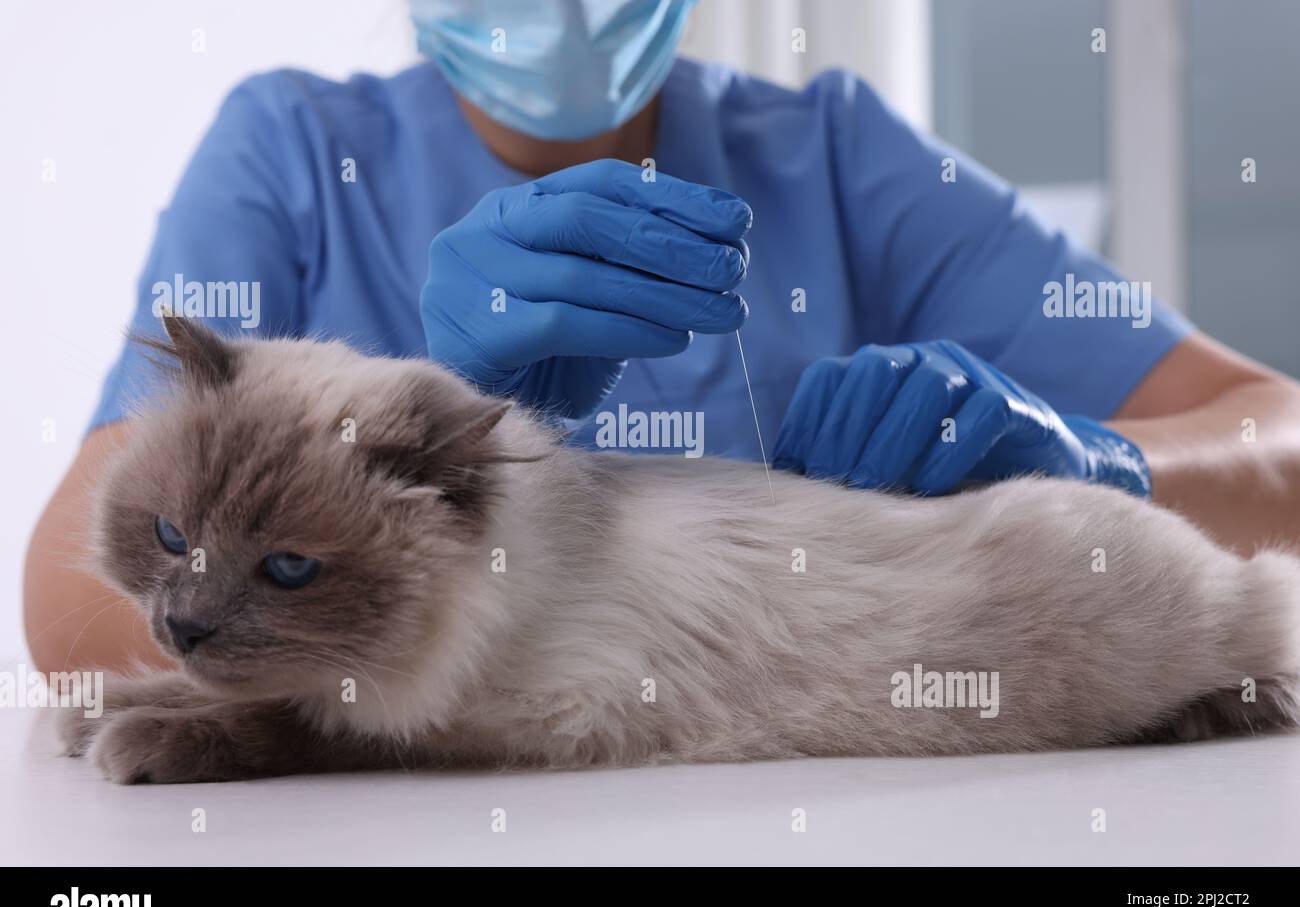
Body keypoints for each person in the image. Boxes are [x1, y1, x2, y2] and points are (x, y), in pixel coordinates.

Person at [24, 0, 1300, 674]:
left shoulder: (842, 163)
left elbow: (1279, 446)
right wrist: (420, 453)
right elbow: (65, 611)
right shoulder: (293, 155)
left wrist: (1091, 462)